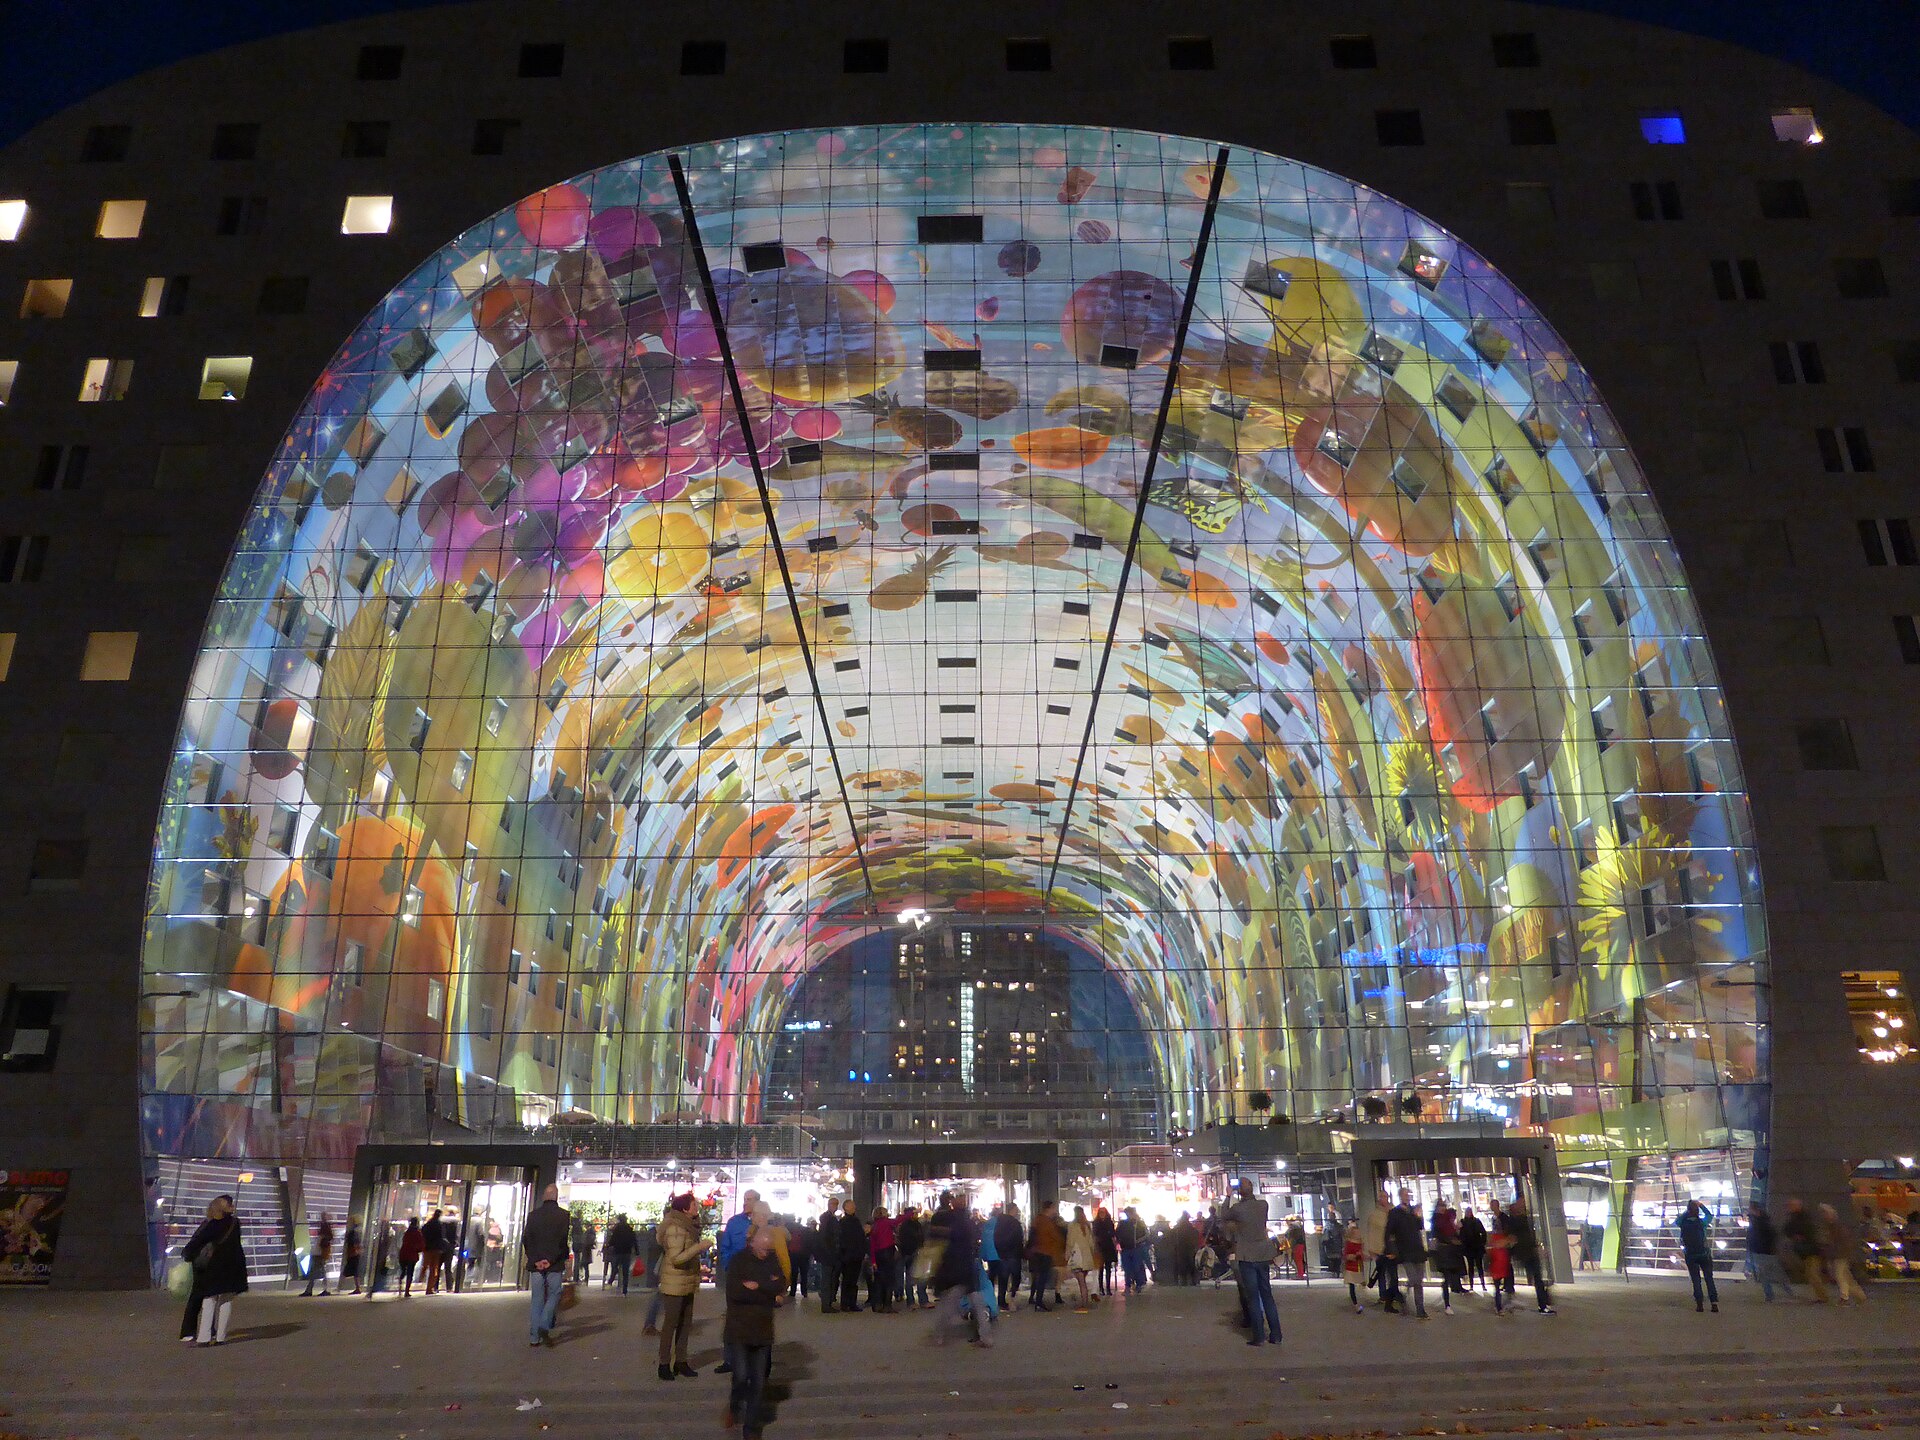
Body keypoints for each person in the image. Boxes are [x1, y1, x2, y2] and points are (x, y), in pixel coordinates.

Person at [722, 1220, 787, 1439]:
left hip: (763, 1330)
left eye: (768, 1250)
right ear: (753, 1243)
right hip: (739, 1329)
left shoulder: (771, 1259)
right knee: (740, 1376)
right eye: (762, 1249)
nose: (765, 1253)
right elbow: (736, 1293)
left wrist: (759, 1286)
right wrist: (770, 1294)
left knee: (758, 1383)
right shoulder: (739, 1261)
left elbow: (782, 1284)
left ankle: (751, 1428)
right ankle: (734, 1405)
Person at [656, 1193, 711, 1379]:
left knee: (685, 1324)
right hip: (674, 1282)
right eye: (694, 1204)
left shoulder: (689, 1227)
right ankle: (664, 1364)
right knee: (670, 1324)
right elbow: (676, 1258)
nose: (697, 1207)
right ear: (685, 1209)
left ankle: (681, 1360)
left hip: (687, 1280)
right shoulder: (676, 1228)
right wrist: (699, 1248)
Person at [179, 1195, 247, 1346]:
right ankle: (221, 1337)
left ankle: (204, 1337)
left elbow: (198, 1242)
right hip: (234, 1266)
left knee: (209, 1300)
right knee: (226, 1300)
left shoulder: (213, 1225)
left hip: (216, 1267)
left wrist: (187, 1254)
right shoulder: (235, 1223)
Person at [1225, 1178, 1281, 1345]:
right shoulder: (1263, 1205)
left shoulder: (1237, 1209)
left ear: (1240, 1191)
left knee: (1253, 1297)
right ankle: (1276, 1335)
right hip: (1263, 1255)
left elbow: (1224, 1216)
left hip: (1247, 1256)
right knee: (1267, 1295)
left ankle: (1258, 1336)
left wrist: (1229, 1196)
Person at [930, 1191, 988, 1346]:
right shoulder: (967, 1220)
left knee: (949, 1303)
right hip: (966, 1267)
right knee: (976, 1301)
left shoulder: (951, 1219)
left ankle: (939, 1336)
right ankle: (985, 1336)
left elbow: (951, 1237)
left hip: (956, 1267)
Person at [521, 1183, 570, 1348]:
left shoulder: (533, 1215)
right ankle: (544, 1324)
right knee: (555, 1293)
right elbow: (562, 1241)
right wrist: (550, 1259)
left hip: (536, 1265)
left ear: (543, 1196)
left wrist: (536, 1260)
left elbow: (527, 1239)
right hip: (554, 1264)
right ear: (556, 1196)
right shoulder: (563, 1216)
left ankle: (534, 1337)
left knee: (537, 1299)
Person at [1503, 1195, 1554, 1314]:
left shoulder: (1525, 1218)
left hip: (1528, 1252)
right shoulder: (1515, 1221)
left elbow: (1528, 1236)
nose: (1523, 1205)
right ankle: (1542, 1304)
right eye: (1521, 1203)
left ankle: (1543, 1303)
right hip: (1524, 1253)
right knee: (1536, 1278)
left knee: (1538, 1278)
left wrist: (1537, 1247)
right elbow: (1514, 1237)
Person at [1384, 1189, 1428, 1319]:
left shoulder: (1412, 1211)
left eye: (1408, 1195)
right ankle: (1402, 1295)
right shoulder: (1395, 1213)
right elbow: (1388, 1232)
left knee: (1418, 1282)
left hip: (1418, 1250)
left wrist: (1419, 1216)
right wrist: (1391, 1250)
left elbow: (1420, 1227)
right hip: (1405, 1250)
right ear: (1400, 1196)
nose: (1407, 1197)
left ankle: (1420, 1310)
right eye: (1404, 1195)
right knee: (1414, 1279)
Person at [1816, 1203, 1866, 1304]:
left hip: (1840, 1255)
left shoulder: (1835, 1228)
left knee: (1840, 1275)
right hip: (1840, 1254)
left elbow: (1839, 1241)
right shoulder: (1832, 1227)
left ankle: (1844, 1297)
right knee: (1846, 1277)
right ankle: (1860, 1295)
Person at [1676, 1200, 1718, 1312]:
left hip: (1690, 1254)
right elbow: (1709, 1215)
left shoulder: (1683, 1223)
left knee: (1696, 1280)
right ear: (1697, 1211)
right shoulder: (1701, 1223)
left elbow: (1677, 1220)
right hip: (1704, 1253)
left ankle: (1699, 1304)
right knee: (1709, 1279)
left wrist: (1688, 1210)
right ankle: (1714, 1303)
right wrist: (1701, 1205)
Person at [1746, 1201, 1793, 1301]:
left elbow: (1764, 1235)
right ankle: (1780, 1291)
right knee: (1771, 1273)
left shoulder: (1760, 1222)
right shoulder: (1763, 1220)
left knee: (1768, 1273)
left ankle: (1772, 1294)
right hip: (1764, 1250)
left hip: (1763, 1250)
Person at [1027, 1199, 1065, 1310]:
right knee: (1042, 1277)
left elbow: (1032, 1235)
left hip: (1037, 1252)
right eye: (1053, 1208)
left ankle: (1037, 1300)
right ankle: (1038, 1301)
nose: (1055, 1210)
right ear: (1049, 1208)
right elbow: (1055, 1237)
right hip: (1045, 1252)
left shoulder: (1037, 1220)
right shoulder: (1047, 1222)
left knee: (1039, 1277)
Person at [1429, 1198, 1465, 1308]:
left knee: (1451, 1274)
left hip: (1451, 1251)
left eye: (1444, 1206)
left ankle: (1454, 1289)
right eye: (1440, 1206)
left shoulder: (1448, 1219)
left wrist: (1457, 1231)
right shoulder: (1436, 1220)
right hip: (1442, 1251)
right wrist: (1450, 1240)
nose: (1443, 1208)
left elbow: (1454, 1233)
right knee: (1446, 1276)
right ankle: (1447, 1304)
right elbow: (1436, 1235)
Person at [835, 1198, 867, 1313]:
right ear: (846, 1208)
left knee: (852, 1280)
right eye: (852, 1206)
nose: (855, 1207)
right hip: (849, 1256)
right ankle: (847, 1303)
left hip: (854, 1255)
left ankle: (850, 1303)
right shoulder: (846, 1222)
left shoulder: (853, 1221)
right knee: (849, 1280)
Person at [1362, 1190, 1393, 1310]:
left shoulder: (1392, 1212)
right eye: (1381, 1197)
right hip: (1379, 1248)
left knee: (1391, 1273)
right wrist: (1371, 1249)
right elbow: (1371, 1233)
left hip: (1391, 1247)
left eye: (1385, 1197)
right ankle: (1383, 1295)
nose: (1383, 1199)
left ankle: (1392, 1294)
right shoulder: (1374, 1215)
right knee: (1381, 1273)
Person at [1065, 1204, 1098, 1312]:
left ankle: (1084, 1303)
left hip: (1078, 1257)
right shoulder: (1087, 1225)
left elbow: (1070, 1241)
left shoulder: (1072, 1226)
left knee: (1081, 1282)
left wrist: (1067, 1254)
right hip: (1087, 1257)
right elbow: (1091, 1243)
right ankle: (1085, 1301)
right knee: (1082, 1280)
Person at [993, 1203, 1025, 1308]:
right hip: (1013, 1254)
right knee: (1016, 1277)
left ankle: (1001, 1300)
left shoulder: (999, 1222)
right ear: (1013, 1210)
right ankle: (1011, 1296)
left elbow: (996, 1238)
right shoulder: (1014, 1224)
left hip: (1003, 1254)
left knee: (1003, 1278)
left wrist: (1000, 1250)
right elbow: (1017, 1239)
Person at [868, 1204, 898, 1312]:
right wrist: (910, 1214)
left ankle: (877, 1304)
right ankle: (887, 1305)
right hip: (888, 1252)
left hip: (878, 1254)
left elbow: (872, 1245)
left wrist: (873, 1261)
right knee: (889, 1279)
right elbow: (898, 1220)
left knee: (878, 1280)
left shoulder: (874, 1226)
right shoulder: (887, 1223)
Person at [897, 1204, 928, 1309]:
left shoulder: (916, 1224)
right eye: (914, 1213)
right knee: (911, 1279)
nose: (917, 1215)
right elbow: (908, 1240)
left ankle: (919, 1300)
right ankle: (912, 1301)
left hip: (914, 1253)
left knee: (919, 1278)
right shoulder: (906, 1226)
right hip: (909, 1253)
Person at [816, 1203, 843, 1313]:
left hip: (827, 1254)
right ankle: (826, 1304)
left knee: (828, 1278)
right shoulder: (830, 1220)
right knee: (828, 1279)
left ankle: (827, 1302)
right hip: (830, 1254)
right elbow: (830, 1238)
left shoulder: (826, 1219)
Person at [300, 1211, 334, 1297]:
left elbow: (322, 1242)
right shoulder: (326, 1234)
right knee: (320, 1271)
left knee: (314, 1271)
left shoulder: (324, 1233)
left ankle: (311, 1290)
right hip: (320, 1253)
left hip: (319, 1253)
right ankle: (323, 1289)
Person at [1117, 1206, 1148, 1294]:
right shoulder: (1124, 1223)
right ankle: (1130, 1285)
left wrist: (1137, 1241)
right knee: (1128, 1268)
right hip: (1128, 1248)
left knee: (1135, 1267)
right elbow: (1118, 1233)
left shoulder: (1139, 1223)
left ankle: (1136, 1285)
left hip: (1134, 1248)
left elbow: (1145, 1234)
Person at [604, 1213, 637, 1295]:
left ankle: (610, 1281)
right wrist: (637, 1250)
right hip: (627, 1252)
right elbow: (634, 1240)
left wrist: (608, 1246)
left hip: (618, 1251)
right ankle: (624, 1290)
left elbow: (613, 1240)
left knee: (615, 1268)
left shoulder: (617, 1229)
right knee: (625, 1272)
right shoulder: (629, 1229)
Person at [1458, 1206, 1488, 1291]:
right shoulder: (1474, 1221)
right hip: (1472, 1247)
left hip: (1473, 1247)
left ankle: (1478, 1285)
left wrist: (1482, 1242)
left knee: (1476, 1266)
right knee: (1475, 1267)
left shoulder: (1466, 1222)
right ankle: (1477, 1285)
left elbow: (1483, 1232)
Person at [1486, 1223, 1514, 1315]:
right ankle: (1502, 1306)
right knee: (1506, 1287)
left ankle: (1499, 1307)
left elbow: (1490, 1254)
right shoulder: (1504, 1238)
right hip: (1502, 1265)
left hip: (1497, 1266)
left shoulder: (1493, 1239)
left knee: (1497, 1288)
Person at [1341, 1216, 1366, 1312]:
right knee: (1352, 1287)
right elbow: (1346, 1256)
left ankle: (1356, 1303)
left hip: (1358, 1267)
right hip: (1351, 1268)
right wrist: (1355, 1256)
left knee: (1359, 1285)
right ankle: (1356, 1304)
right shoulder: (1349, 1243)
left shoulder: (1360, 1243)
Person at [1092, 1206, 1119, 1296]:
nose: (1102, 1214)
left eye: (1103, 1212)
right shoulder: (1096, 1223)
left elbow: (1112, 1235)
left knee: (1108, 1268)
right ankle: (1101, 1288)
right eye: (1101, 1212)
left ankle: (1107, 1288)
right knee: (1100, 1268)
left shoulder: (1109, 1222)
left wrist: (1115, 1246)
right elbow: (1094, 1235)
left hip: (1108, 1246)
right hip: (1100, 1246)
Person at [422, 1208, 448, 1295]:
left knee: (425, 1266)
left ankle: (420, 1280)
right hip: (436, 1249)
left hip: (427, 1248)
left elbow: (423, 1233)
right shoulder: (439, 1225)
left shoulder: (428, 1224)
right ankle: (429, 1288)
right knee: (434, 1269)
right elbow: (441, 1237)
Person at [397, 1216, 423, 1297]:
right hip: (412, 1255)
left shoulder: (406, 1232)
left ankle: (400, 1287)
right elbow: (421, 1244)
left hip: (403, 1254)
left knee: (403, 1271)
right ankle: (406, 1291)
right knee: (410, 1273)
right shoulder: (418, 1233)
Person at [338, 1220, 362, 1295]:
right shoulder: (357, 1233)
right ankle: (357, 1288)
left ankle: (340, 1287)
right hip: (355, 1253)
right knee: (355, 1272)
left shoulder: (352, 1233)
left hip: (352, 1254)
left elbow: (351, 1243)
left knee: (348, 1271)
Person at [1285, 1215, 1308, 1281]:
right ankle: (1301, 1273)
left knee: (1298, 1260)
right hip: (1301, 1243)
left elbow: (1287, 1234)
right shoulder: (1299, 1225)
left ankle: (1300, 1275)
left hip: (1296, 1244)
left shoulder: (1292, 1226)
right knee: (1300, 1259)